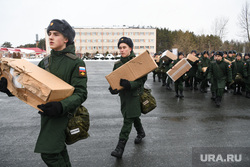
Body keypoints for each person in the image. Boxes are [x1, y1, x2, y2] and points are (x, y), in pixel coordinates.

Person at [35, 19, 88, 166]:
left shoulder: (76, 63)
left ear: (66, 39)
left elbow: (81, 93)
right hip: (47, 116)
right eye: (49, 34)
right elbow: (32, 86)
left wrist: (61, 106)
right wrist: (9, 88)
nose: (50, 37)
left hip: (63, 116)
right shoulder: (45, 62)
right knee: (58, 151)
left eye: (56, 34)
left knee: (49, 154)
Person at [109, 37, 147, 158]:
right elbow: (114, 82)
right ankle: (141, 132)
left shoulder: (137, 63)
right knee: (132, 116)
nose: (121, 50)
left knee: (127, 121)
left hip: (134, 96)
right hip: (124, 98)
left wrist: (129, 84)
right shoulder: (117, 65)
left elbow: (141, 81)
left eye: (124, 47)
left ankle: (120, 148)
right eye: (120, 47)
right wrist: (113, 89)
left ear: (130, 48)